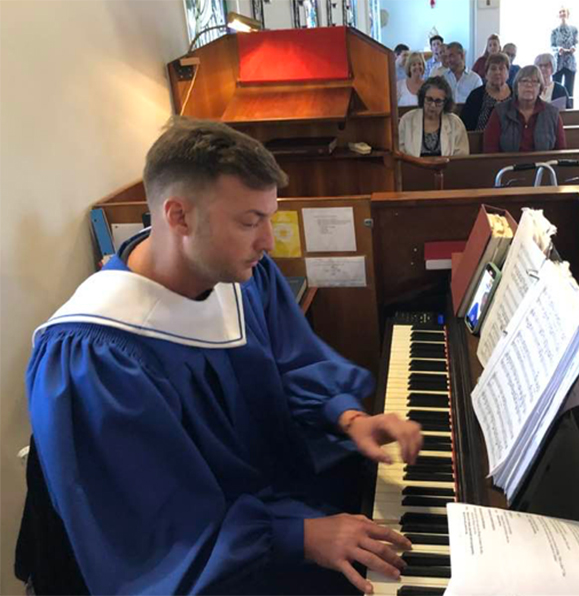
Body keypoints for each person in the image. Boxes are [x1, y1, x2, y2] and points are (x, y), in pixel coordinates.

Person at [24, 117, 424, 595]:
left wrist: (348, 416)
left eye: (268, 217)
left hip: (268, 509)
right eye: (249, 221)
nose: (268, 241)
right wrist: (300, 535)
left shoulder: (241, 278)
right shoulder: (96, 358)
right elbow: (162, 535)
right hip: (218, 562)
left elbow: (291, 364)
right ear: (179, 217)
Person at [483, 64, 567, 153]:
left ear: (540, 88)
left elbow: (560, 151)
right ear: (516, 86)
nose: (529, 85)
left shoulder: (552, 113)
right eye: (524, 81)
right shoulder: (500, 111)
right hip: (508, 166)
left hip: (543, 165)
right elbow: (490, 149)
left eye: (534, 82)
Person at [398, 76, 469, 157]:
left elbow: (461, 157)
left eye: (438, 101)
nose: (433, 105)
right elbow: (400, 153)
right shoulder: (407, 120)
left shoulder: (455, 123)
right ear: (422, 98)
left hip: (448, 169)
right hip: (413, 168)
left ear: (445, 102)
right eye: (429, 99)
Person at [460, 52, 513, 131]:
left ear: (508, 73)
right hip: (479, 141)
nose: (497, 72)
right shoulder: (476, 95)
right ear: (486, 74)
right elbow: (465, 126)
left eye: (501, 68)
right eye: (493, 69)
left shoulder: (515, 95)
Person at [550, 7, 578, 98]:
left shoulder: (574, 29)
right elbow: (552, 45)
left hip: (570, 63)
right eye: (560, 12)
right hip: (558, 62)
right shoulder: (554, 30)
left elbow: (576, 43)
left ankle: (569, 110)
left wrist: (573, 48)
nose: (562, 13)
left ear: (568, 14)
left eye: (564, 11)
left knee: (569, 90)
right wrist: (558, 49)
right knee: (556, 88)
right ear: (558, 15)